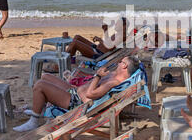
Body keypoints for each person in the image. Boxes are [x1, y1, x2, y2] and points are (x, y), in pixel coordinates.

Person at [13, 55, 141, 132]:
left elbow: (91, 95)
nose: (118, 63)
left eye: (121, 62)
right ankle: (39, 111)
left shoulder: (114, 82)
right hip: (75, 91)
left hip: (76, 103)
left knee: (40, 86)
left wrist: (97, 75)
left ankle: (34, 121)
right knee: (46, 76)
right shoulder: (114, 75)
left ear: (125, 66)